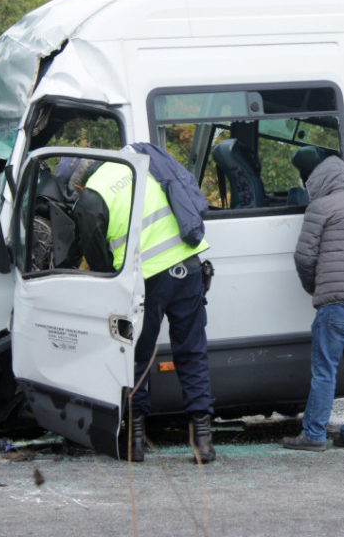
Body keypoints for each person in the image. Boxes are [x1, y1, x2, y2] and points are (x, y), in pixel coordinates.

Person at [73, 145, 216, 464]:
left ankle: (135, 443)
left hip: (144, 281)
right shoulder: (141, 163)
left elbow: (98, 260)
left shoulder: (92, 196)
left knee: (137, 357)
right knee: (191, 353)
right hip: (188, 266)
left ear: (80, 184)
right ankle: (203, 443)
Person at [282, 156, 344, 452]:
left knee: (325, 369)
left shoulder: (321, 207)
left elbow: (303, 256)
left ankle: (313, 434)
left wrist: (315, 288)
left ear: (318, 180)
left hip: (336, 303)